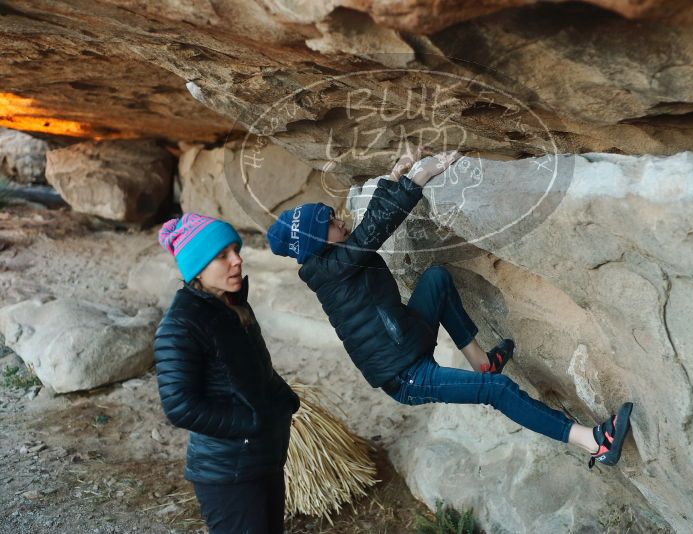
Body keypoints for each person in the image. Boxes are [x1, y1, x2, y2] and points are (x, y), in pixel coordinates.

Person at [267, 148, 633, 469]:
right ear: (316, 243)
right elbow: (373, 231)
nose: (339, 220)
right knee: (498, 391)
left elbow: (366, 228)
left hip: (408, 336)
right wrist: (420, 177)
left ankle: (482, 363)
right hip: (405, 374)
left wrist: (397, 174)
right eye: (329, 222)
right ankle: (595, 443)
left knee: (436, 279)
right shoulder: (330, 269)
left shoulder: (331, 260)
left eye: (332, 213)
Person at [153, 213, 299, 533]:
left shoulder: (232, 305)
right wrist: (252, 422)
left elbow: (255, 371)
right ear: (197, 267)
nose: (237, 260)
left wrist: (284, 400)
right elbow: (179, 406)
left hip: (261, 457)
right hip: (228, 472)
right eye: (222, 256)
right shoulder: (180, 325)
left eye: (235, 250)